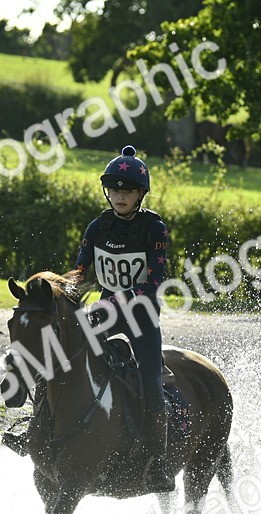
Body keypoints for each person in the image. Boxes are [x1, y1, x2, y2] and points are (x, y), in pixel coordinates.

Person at [72, 144, 175, 492]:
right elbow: (80, 272)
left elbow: (156, 280)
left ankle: (158, 462)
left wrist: (123, 298)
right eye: (114, 190)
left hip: (141, 316)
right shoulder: (97, 227)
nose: (120, 196)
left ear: (140, 195)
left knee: (151, 381)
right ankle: (38, 424)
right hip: (106, 311)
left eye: (127, 191)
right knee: (65, 352)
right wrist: (59, 293)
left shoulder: (154, 229)